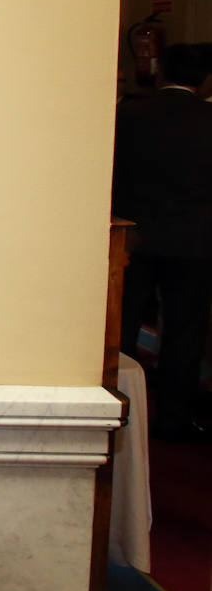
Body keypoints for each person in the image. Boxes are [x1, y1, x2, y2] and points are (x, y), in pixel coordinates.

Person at [114, 42, 212, 440]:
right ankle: (173, 417)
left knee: (122, 327)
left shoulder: (130, 116)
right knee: (184, 333)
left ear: (160, 72)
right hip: (194, 241)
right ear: (205, 80)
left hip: (134, 237)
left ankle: (119, 408)